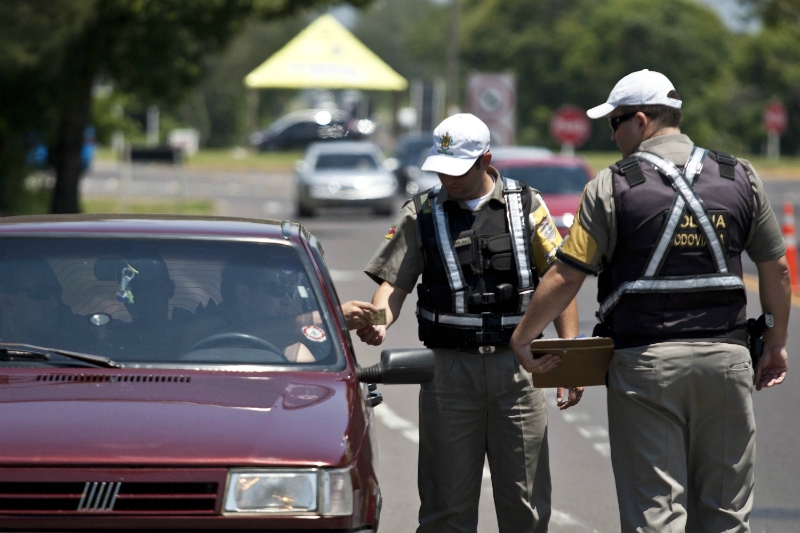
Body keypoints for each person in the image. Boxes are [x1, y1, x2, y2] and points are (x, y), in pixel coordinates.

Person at [509, 69, 791, 532]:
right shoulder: (739, 175)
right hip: (728, 360)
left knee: (655, 514)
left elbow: (567, 274)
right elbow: (776, 268)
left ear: (640, 121)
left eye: (614, 123)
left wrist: (524, 337)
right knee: (725, 513)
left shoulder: (611, 185)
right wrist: (776, 342)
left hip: (647, 366)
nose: (613, 134)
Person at [358, 113, 581, 532]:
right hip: (448, 375)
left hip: (516, 374)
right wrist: (379, 319)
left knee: (526, 506)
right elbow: (393, 284)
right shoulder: (421, 212)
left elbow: (560, 280)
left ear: (486, 160)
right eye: (440, 168)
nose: (448, 179)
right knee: (446, 509)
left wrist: (569, 356)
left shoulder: (526, 205)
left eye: (457, 169)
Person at [182, 252, 377, 362]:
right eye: (276, 290)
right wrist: (331, 317)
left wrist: (377, 319)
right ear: (243, 294)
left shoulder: (293, 351)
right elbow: (234, 341)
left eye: (289, 291)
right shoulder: (202, 328)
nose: (286, 299)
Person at [0, 256, 84, 349]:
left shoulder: (77, 351)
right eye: (41, 292)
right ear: (7, 302)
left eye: (56, 292)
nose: (55, 303)